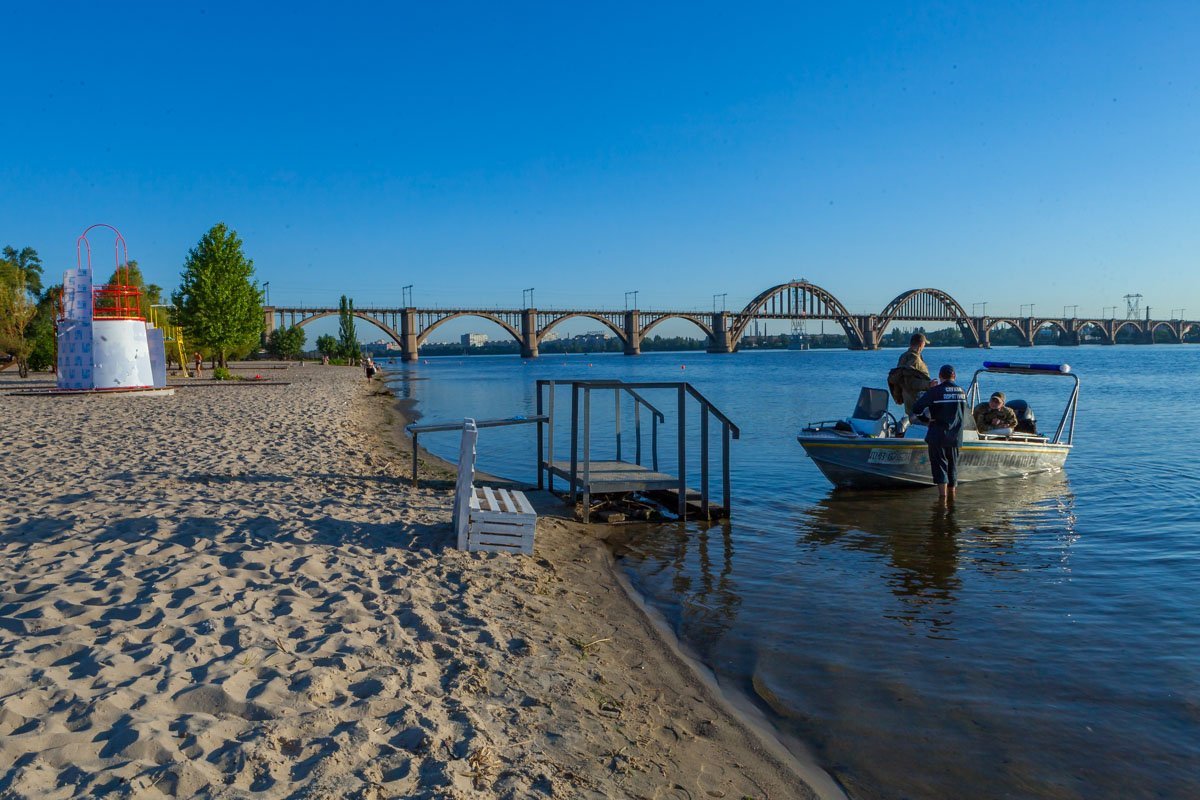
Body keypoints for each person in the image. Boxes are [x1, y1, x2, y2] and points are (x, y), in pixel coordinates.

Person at [911, 364, 969, 501]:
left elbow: (916, 408)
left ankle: (942, 498)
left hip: (938, 433)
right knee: (952, 466)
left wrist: (926, 419)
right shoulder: (962, 392)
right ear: (954, 376)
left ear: (940, 376)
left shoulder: (935, 391)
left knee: (940, 466)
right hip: (955, 435)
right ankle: (952, 496)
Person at [888, 333, 933, 414]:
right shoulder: (915, 359)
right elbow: (910, 381)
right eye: (924, 344)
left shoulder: (904, 356)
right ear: (921, 344)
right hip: (917, 402)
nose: (924, 346)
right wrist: (929, 384)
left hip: (908, 400)